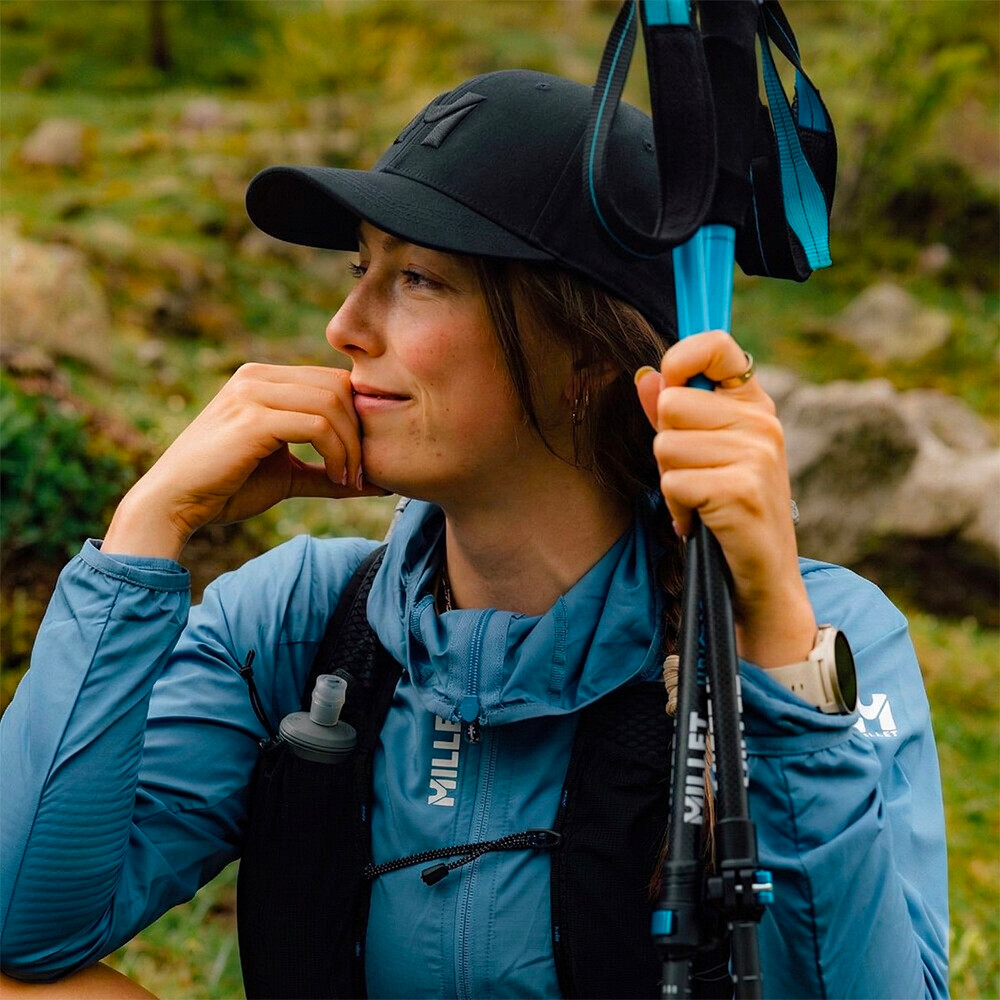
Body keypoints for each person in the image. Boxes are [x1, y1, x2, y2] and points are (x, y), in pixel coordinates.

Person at [0, 69, 948, 999]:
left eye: (418, 278)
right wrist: (146, 528)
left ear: (585, 357)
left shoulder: (814, 635)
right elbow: (24, 925)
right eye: (361, 268)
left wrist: (772, 642)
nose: (344, 327)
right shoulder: (297, 621)